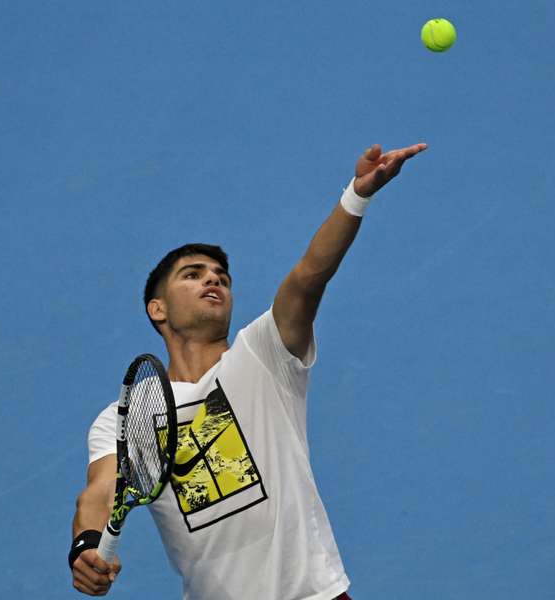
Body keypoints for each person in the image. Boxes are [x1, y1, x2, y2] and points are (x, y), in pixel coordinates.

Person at [69, 142, 427, 599]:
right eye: (192, 274)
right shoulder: (126, 417)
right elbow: (99, 493)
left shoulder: (264, 355)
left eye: (220, 275)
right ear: (156, 309)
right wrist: (87, 546)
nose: (213, 279)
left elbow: (309, 276)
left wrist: (355, 197)